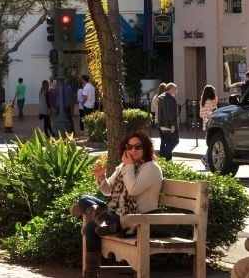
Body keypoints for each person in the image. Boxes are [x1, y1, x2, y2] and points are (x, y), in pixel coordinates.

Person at [71, 130, 163, 278]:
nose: (133, 150)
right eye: (129, 146)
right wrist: (101, 178)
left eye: (137, 146)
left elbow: (133, 190)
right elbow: (108, 192)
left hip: (135, 219)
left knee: (90, 226)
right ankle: (103, 222)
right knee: (84, 199)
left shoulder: (151, 168)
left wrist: (128, 167)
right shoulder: (125, 166)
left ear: (145, 148)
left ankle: (100, 220)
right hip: (116, 214)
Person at [156, 82, 179, 161]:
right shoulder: (170, 99)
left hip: (162, 124)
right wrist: (173, 125)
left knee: (168, 142)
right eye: (175, 89)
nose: (176, 91)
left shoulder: (161, 97)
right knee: (175, 141)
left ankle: (168, 160)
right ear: (171, 89)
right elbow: (171, 113)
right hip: (169, 125)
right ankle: (161, 154)